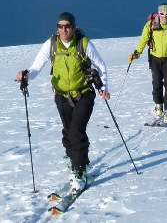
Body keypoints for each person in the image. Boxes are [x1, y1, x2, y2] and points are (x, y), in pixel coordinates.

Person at [15, 12, 110, 192]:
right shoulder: (51, 44)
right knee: (68, 132)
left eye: (67, 26)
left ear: (73, 28)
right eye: (60, 26)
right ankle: (79, 161)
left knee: (76, 131)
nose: (64, 30)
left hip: (84, 94)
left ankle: (79, 171)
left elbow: (101, 65)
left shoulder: (84, 44)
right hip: (61, 96)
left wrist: (103, 87)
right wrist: (25, 74)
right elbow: (36, 67)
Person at [128, 3, 167, 123]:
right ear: (158, 14)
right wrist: (137, 53)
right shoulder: (151, 25)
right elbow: (144, 39)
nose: (165, 17)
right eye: (162, 14)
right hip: (155, 58)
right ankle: (158, 105)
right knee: (156, 83)